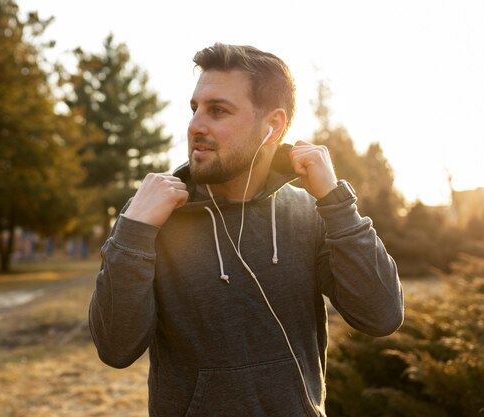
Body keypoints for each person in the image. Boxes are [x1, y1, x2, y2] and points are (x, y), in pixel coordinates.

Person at [89, 43, 404, 417]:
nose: (195, 126)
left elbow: (381, 316)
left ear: (273, 126)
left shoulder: (311, 214)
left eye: (217, 111)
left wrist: (336, 203)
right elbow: (115, 348)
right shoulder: (151, 217)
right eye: (195, 109)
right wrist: (133, 230)